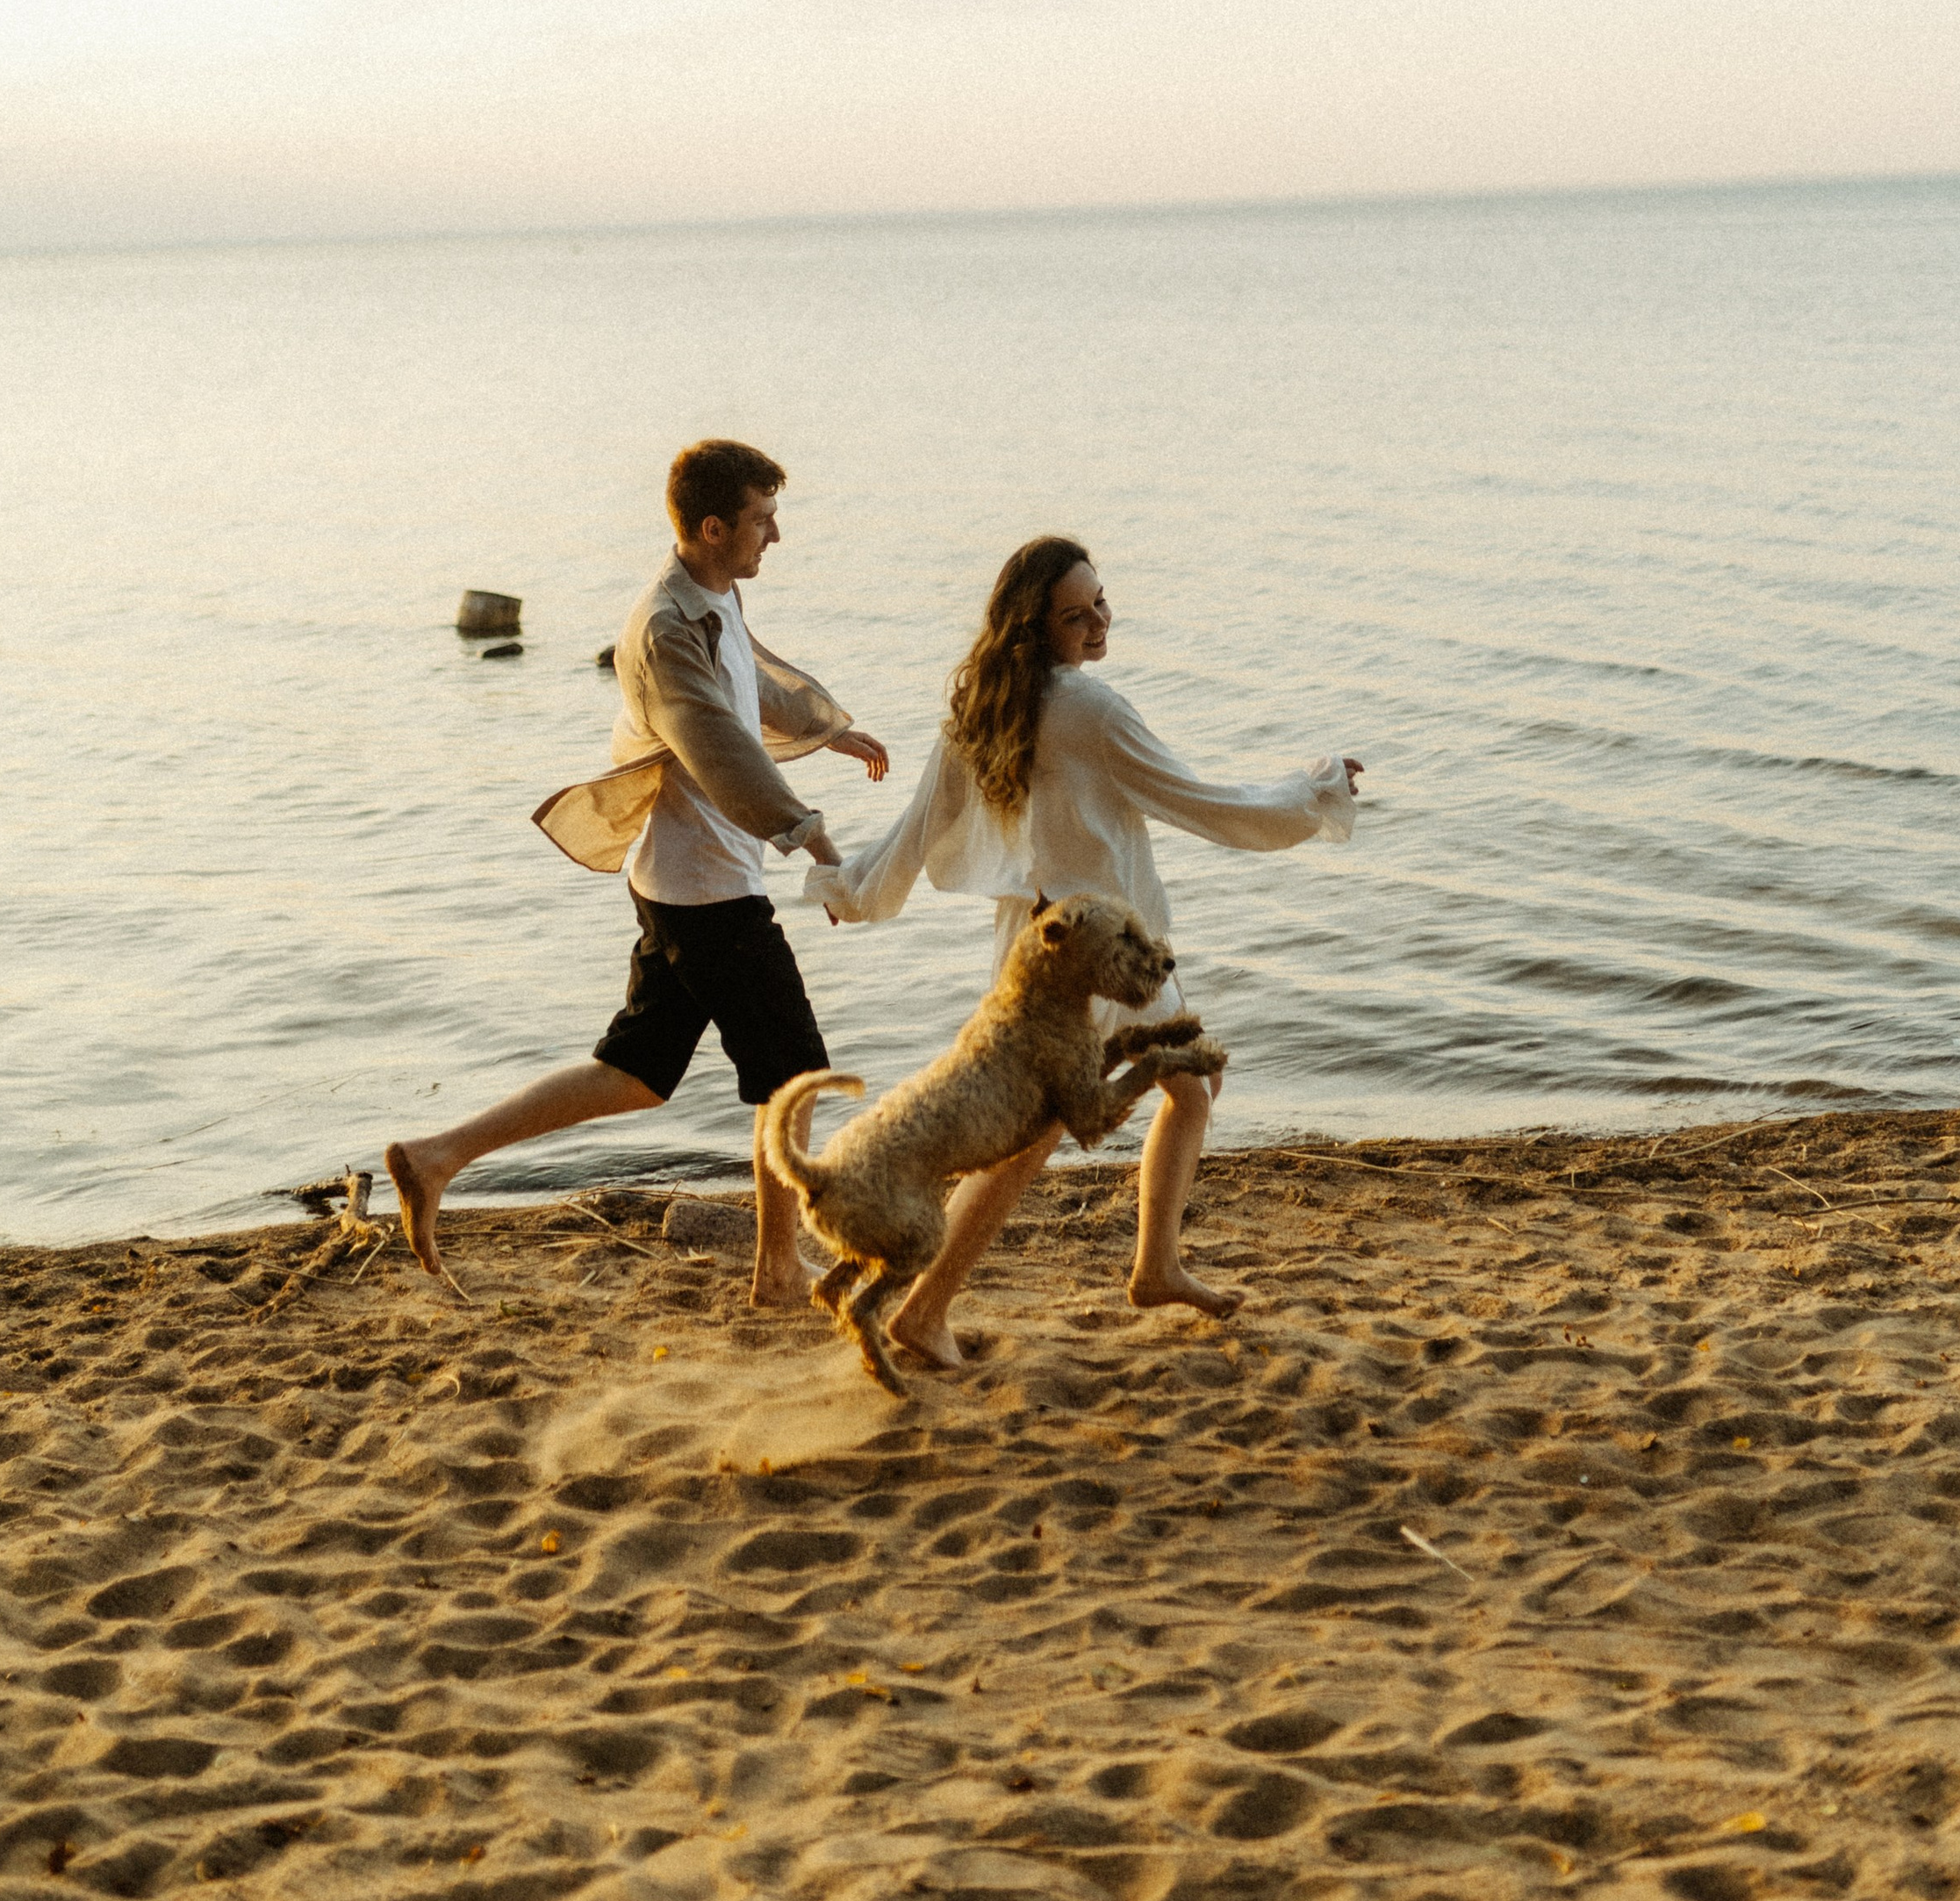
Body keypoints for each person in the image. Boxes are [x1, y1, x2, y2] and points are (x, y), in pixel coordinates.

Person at [808, 535, 1360, 1361]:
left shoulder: (980, 706)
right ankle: (923, 1311)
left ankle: (1156, 1265)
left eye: (1099, 599)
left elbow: (914, 836)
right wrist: (1318, 790)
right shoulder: (1091, 711)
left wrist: (848, 894)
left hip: (1039, 949)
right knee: (1028, 1141)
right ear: (1034, 628)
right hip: (1093, 962)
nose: (1100, 620)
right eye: (1077, 614)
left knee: (1194, 1077)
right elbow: (1203, 803)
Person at [384, 440, 888, 1303]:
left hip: (682, 882)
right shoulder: (660, 630)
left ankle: (435, 1157)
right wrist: (813, 839)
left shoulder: (710, 597)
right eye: (763, 520)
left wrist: (827, 728)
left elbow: (747, 681)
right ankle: (774, 1269)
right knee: (795, 1075)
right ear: (711, 526)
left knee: (637, 1074)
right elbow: (720, 749)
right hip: (706, 891)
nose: (777, 536)